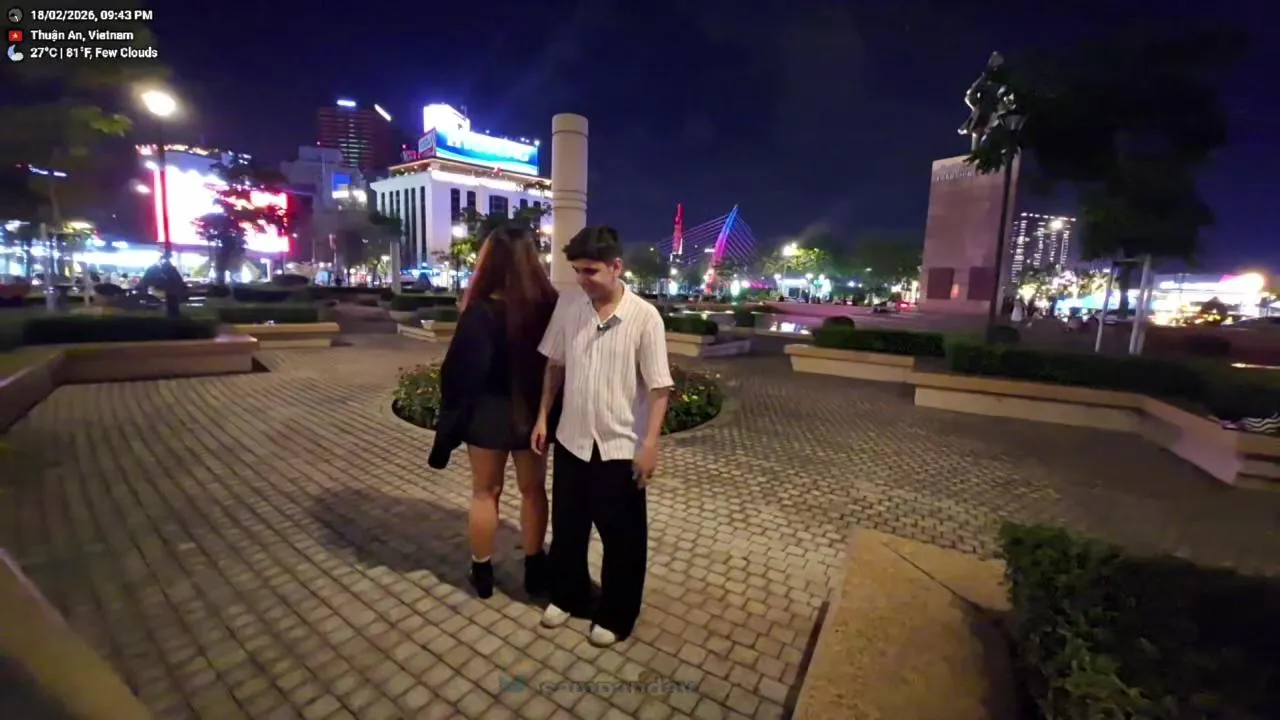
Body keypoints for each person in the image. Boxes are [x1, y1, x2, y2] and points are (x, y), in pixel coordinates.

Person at [531, 225, 673, 648]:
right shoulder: (570, 307)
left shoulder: (644, 317)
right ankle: (567, 595)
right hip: (572, 439)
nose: (582, 279)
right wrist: (542, 418)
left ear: (616, 267)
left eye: (590, 270)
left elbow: (659, 388)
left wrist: (650, 446)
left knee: (623, 539)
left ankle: (616, 614)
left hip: (619, 446)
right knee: (568, 527)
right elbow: (554, 365)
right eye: (577, 270)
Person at [428, 223, 559, 599]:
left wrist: (450, 419)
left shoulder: (480, 310)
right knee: (533, 490)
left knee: (486, 492)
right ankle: (534, 568)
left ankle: (483, 572)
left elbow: (460, 371)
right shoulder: (548, 307)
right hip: (531, 414)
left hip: (487, 412)